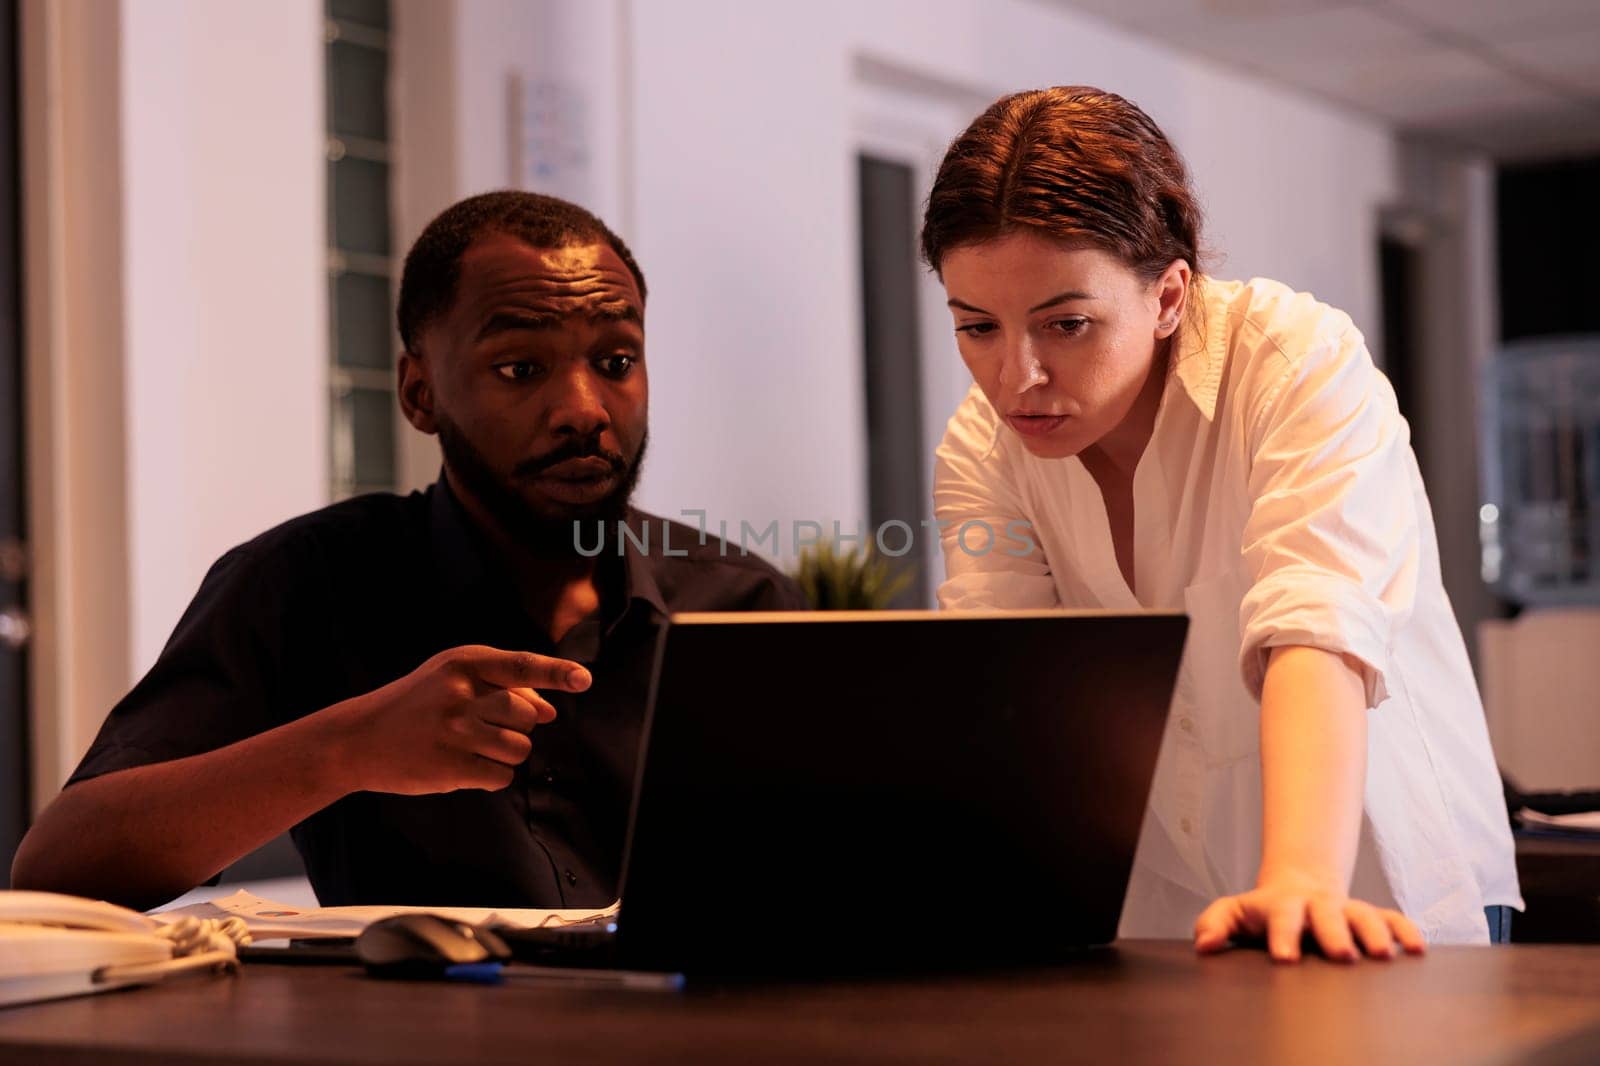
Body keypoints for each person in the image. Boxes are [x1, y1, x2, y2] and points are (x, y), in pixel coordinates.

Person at [12, 191, 804, 912]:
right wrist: (346, 748)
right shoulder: (306, 584)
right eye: (521, 368)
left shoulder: (742, 606)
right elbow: (58, 868)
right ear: (420, 394)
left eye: (616, 362)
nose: (582, 409)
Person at [924, 87, 1520, 958]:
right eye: (977, 327)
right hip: (1168, 910)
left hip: (1370, 888)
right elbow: (1012, 691)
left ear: (1168, 295)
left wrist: (1302, 880)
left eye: (1068, 325)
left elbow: (1315, 624)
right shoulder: (983, 447)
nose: (1018, 377)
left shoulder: (1294, 362)